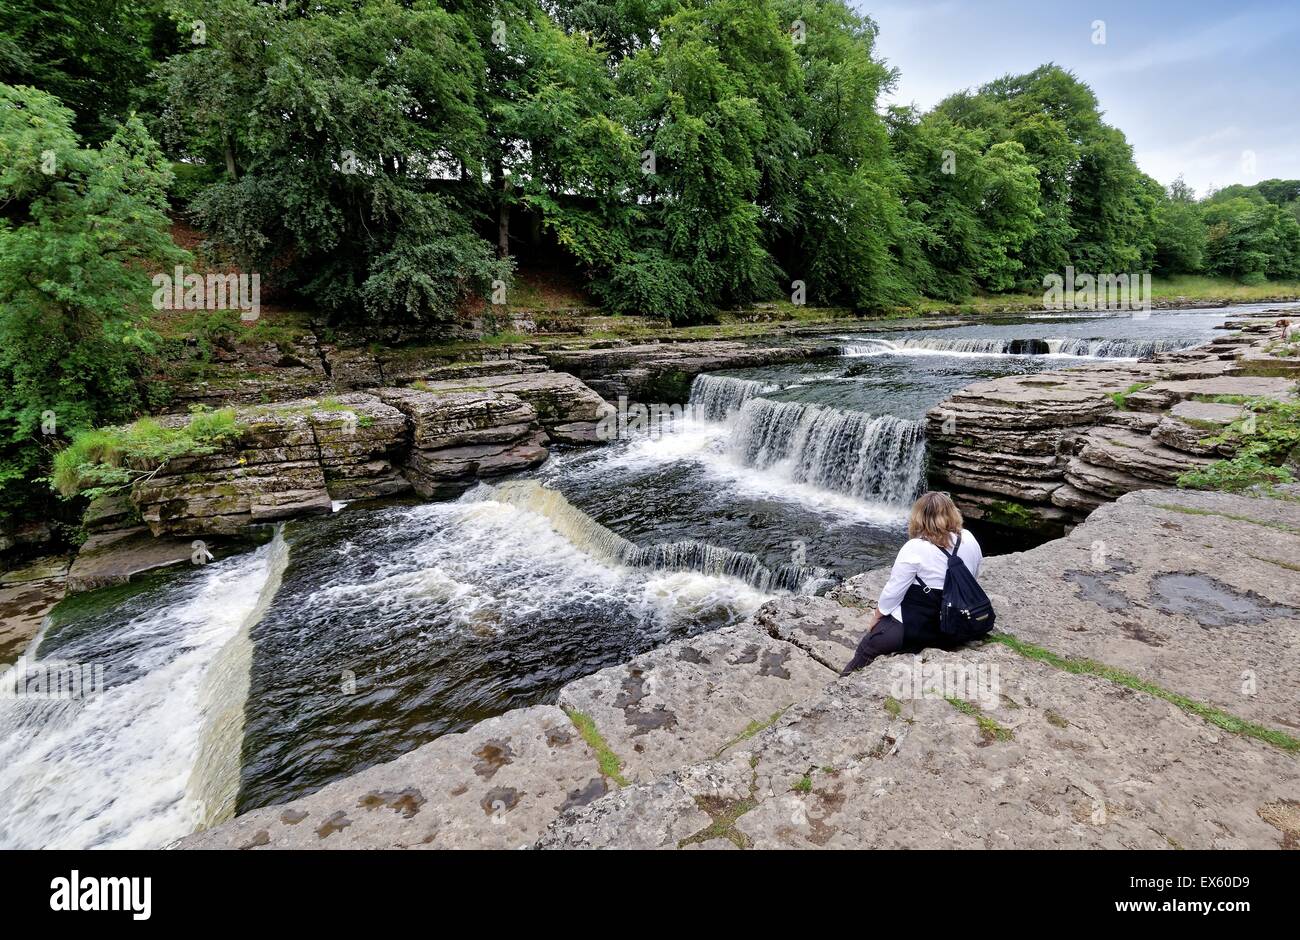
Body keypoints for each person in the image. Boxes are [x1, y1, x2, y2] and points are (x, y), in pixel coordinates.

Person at [841, 491, 984, 675]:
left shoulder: (915, 547)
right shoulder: (969, 538)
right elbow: (972, 576)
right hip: (958, 625)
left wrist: (876, 618)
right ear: (953, 512)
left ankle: (843, 684)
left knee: (869, 646)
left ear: (918, 518)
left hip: (921, 628)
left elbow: (893, 591)